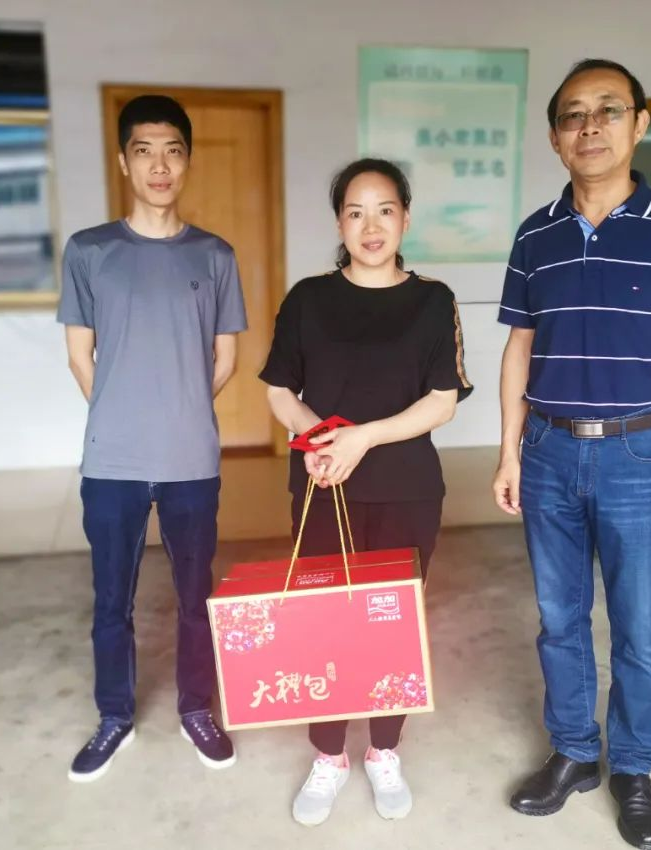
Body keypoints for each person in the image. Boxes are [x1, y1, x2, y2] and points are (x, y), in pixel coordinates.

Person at [493, 60, 651, 849]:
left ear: (640, 125)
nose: (589, 126)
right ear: (555, 136)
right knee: (559, 618)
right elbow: (519, 349)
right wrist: (509, 452)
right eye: (572, 114)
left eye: (608, 110)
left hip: (642, 453)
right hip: (549, 450)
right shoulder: (536, 234)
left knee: (638, 626)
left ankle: (633, 767)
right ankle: (573, 752)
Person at [260, 158, 472, 826]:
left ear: (405, 218)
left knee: (391, 625)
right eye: (356, 212)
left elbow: (442, 401)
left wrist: (362, 439)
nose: (371, 225)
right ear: (339, 224)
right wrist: (321, 440)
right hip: (323, 486)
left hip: (406, 490)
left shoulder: (433, 300)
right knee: (324, 623)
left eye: (385, 210)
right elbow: (278, 389)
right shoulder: (308, 299)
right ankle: (329, 755)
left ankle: (383, 748)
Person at [57, 95, 246, 783]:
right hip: (112, 461)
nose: (159, 165)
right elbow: (80, 357)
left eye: (172, 151)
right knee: (112, 600)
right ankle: (114, 716)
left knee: (197, 596)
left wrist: (179, 408)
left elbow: (225, 359)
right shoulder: (89, 251)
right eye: (144, 150)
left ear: (187, 161)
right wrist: (124, 412)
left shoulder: (215, 255)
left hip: (191, 458)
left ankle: (197, 708)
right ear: (123, 161)